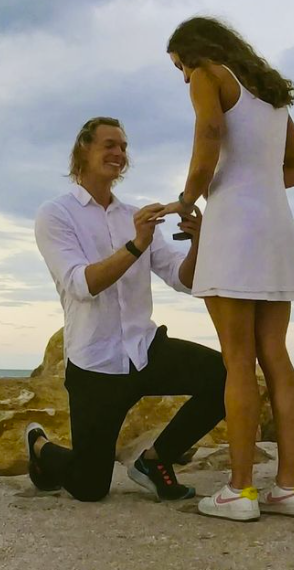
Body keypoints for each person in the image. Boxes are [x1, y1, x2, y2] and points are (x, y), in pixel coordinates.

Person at [162, 16, 294, 522]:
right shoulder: (270, 95)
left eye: (179, 67)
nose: (185, 79)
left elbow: (209, 133)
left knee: (237, 359)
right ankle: (291, 486)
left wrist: (188, 199)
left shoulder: (210, 73)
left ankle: (239, 489)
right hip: (276, 229)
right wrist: (258, 186)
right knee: (276, 355)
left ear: (193, 53)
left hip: (235, 230)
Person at [29, 116, 227, 503]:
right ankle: (39, 447)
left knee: (227, 376)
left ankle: (156, 460)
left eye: (123, 147)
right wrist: (136, 244)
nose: (119, 153)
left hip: (144, 348)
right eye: (109, 145)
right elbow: (82, 284)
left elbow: (183, 279)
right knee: (90, 487)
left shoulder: (133, 216)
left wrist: (200, 242)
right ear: (83, 150)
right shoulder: (55, 215)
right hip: (95, 363)